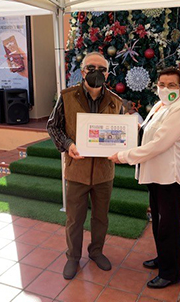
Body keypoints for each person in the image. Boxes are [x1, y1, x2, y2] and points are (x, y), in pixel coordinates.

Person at [109, 67, 180, 289]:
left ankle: (171, 272)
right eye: (162, 85)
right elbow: (146, 132)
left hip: (171, 178)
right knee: (158, 222)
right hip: (156, 175)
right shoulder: (160, 106)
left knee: (169, 226)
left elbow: (158, 145)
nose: (166, 89)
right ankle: (163, 258)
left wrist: (123, 156)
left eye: (172, 85)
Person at [47, 52, 123, 280]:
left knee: (101, 217)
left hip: (103, 173)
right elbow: (53, 127)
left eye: (102, 69)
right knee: (74, 219)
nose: (96, 72)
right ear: (82, 71)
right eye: (91, 68)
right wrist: (68, 144)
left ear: (108, 74)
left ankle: (96, 252)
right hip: (76, 170)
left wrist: (123, 147)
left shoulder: (115, 102)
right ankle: (72, 257)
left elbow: (120, 134)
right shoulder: (67, 97)